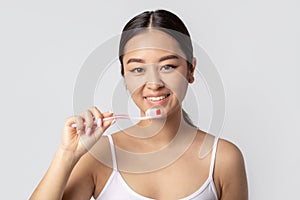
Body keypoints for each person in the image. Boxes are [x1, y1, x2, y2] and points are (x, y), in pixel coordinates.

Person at [30, 9, 248, 200]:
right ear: (124, 75)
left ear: (190, 71)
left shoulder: (223, 158)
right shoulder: (100, 154)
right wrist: (66, 154)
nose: (153, 83)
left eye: (168, 67)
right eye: (137, 69)